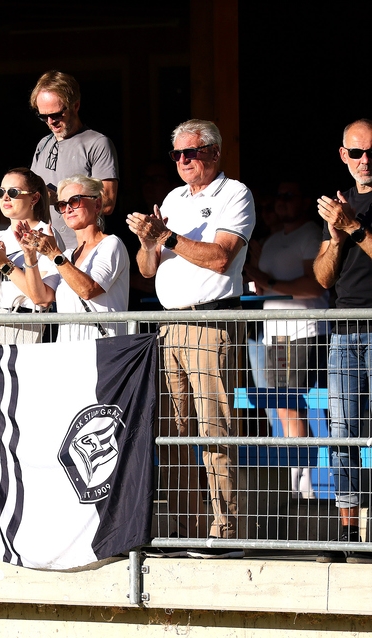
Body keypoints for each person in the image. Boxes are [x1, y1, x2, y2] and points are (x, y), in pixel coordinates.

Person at [127, 119, 254, 559]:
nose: (183, 161)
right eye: (177, 154)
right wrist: (147, 241)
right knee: (172, 430)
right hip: (169, 324)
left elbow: (220, 258)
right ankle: (185, 527)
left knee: (214, 427)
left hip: (210, 322)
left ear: (214, 153)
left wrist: (165, 236)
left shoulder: (234, 194)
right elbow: (147, 269)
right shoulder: (173, 199)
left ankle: (225, 530)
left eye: (192, 152)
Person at [243, 181, 327, 500]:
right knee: (281, 408)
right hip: (275, 335)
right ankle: (295, 477)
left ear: (305, 202)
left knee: (295, 406)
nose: (282, 202)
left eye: (289, 196)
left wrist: (270, 281)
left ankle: (305, 482)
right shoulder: (273, 239)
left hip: (304, 331)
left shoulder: (311, 234)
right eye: (278, 196)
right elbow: (263, 286)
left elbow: (315, 286)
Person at [313, 118, 372, 563]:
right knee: (342, 433)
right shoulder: (340, 206)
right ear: (342, 155)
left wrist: (355, 229)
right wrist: (335, 239)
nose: (364, 160)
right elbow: (323, 276)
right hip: (345, 331)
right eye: (356, 153)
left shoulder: (350, 214)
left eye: (371, 152)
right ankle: (348, 535)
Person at [21, 174, 129, 340]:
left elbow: (88, 290)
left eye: (75, 201)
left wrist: (53, 253)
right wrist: (30, 257)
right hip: (69, 350)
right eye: (62, 205)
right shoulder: (67, 255)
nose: (68, 209)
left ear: (97, 204)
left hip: (103, 350)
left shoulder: (111, 244)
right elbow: (41, 298)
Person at [29, 71, 119, 252]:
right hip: (44, 251)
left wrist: (57, 199)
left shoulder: (97, 143)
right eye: (43, 116)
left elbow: (107, 203)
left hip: (83, 250)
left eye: (56, 115)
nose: (50, 122)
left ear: (75, 105)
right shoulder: (43, 144)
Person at [0, 168, 56, 344]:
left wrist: (4, 264)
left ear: (34, 198)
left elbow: (42, 298)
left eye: (13, 192)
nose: (5, 197)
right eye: (0, 192)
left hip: (31, 328)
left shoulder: (46, 234)